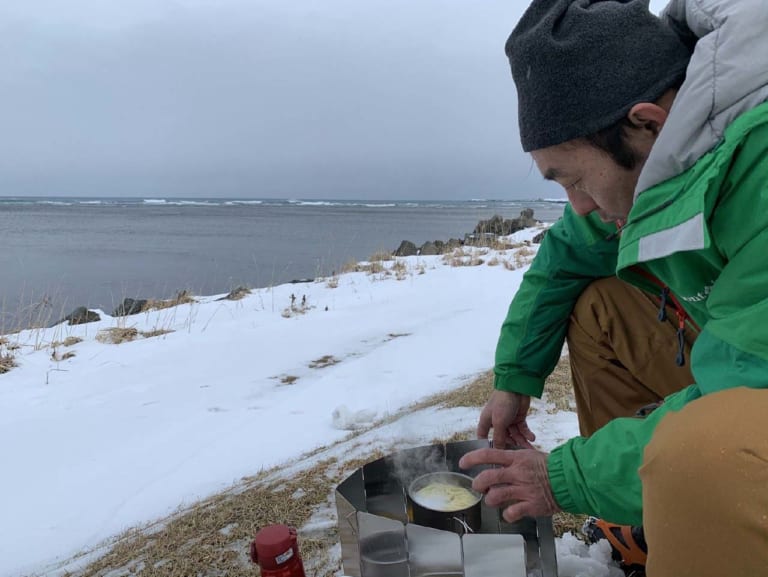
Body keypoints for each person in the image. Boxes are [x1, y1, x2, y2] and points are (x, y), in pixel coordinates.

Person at [458, 0, 768, 575]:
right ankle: (643, 518)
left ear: (646, 124)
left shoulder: (759, 175)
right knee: (599, 306)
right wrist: (514, 381)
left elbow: (744, 394)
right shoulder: (664, 161)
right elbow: (562, 259)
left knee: (703, 452)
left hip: (754, 388)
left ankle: (684, 502)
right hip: (736, 356)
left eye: (575, 179)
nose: (577, 206)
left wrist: (567, 479)